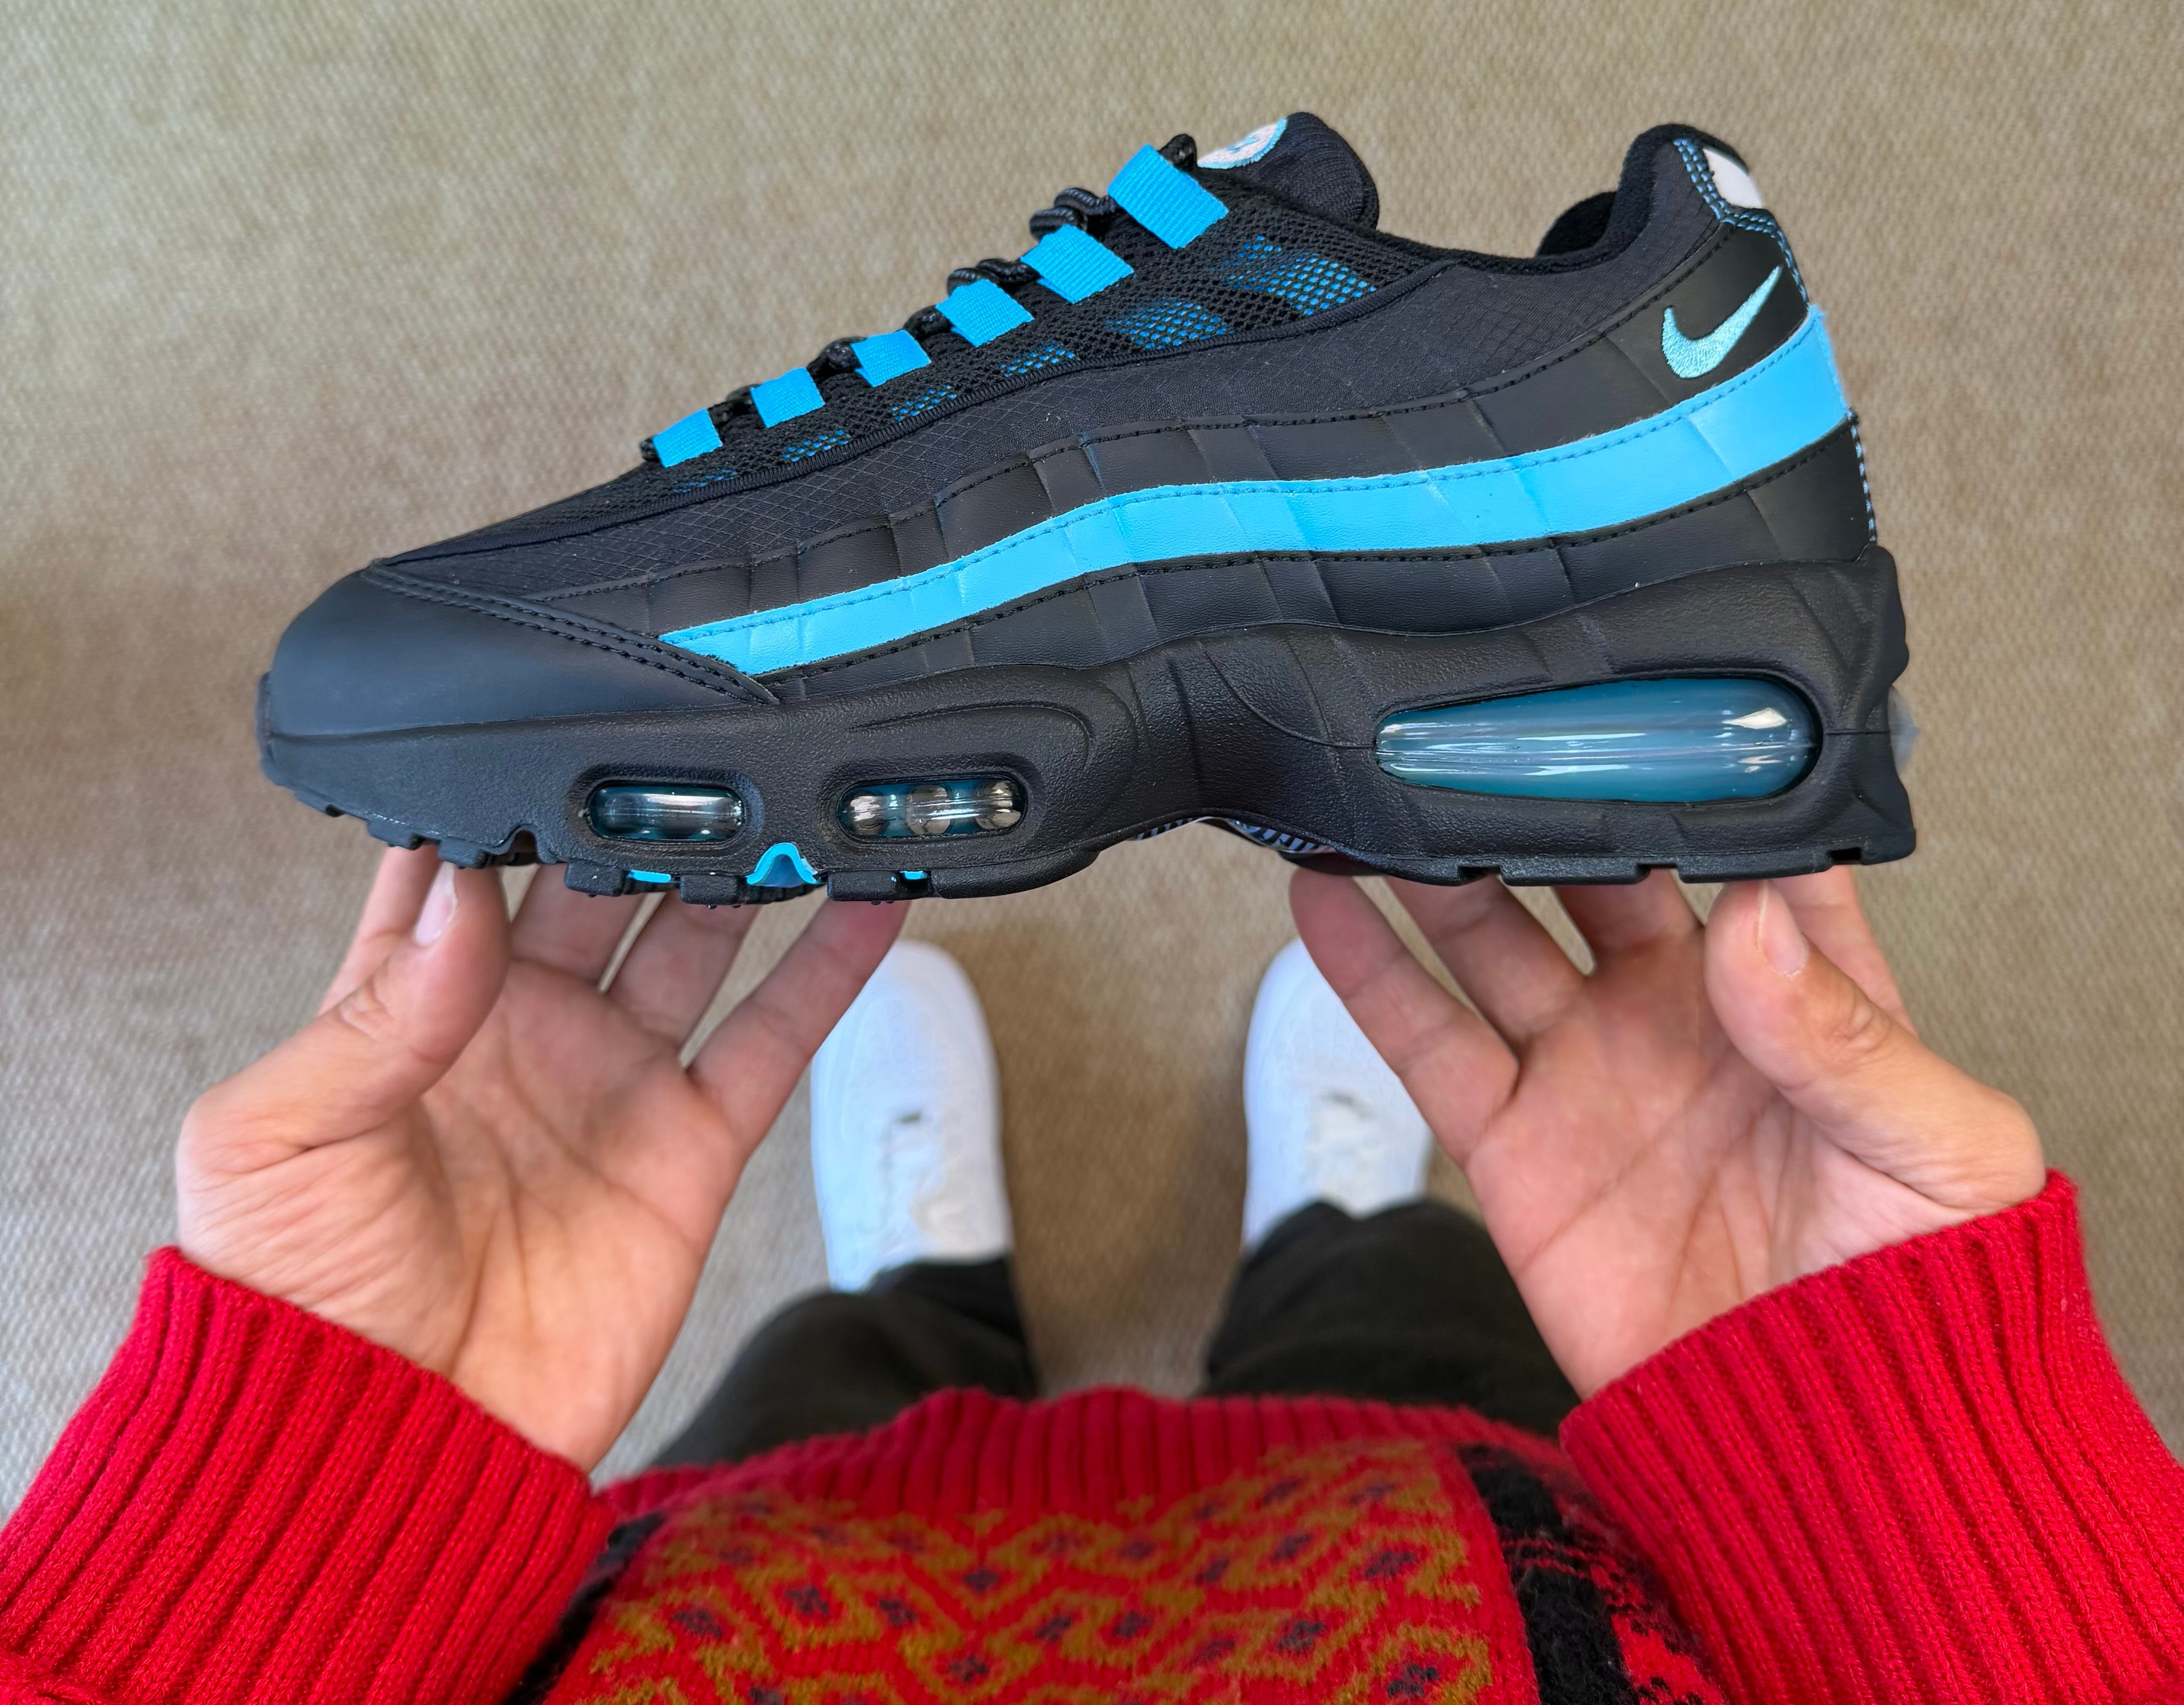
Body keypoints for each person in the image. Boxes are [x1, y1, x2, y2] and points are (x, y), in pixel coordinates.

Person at [2, 852, 2179, 1704]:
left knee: (843, 1367)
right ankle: (1330, 1229)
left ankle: (931, 1284)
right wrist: (1883, 1462)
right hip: (1460, 1539)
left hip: (742, 1591)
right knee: (1398, 1298)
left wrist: (315, 1472)